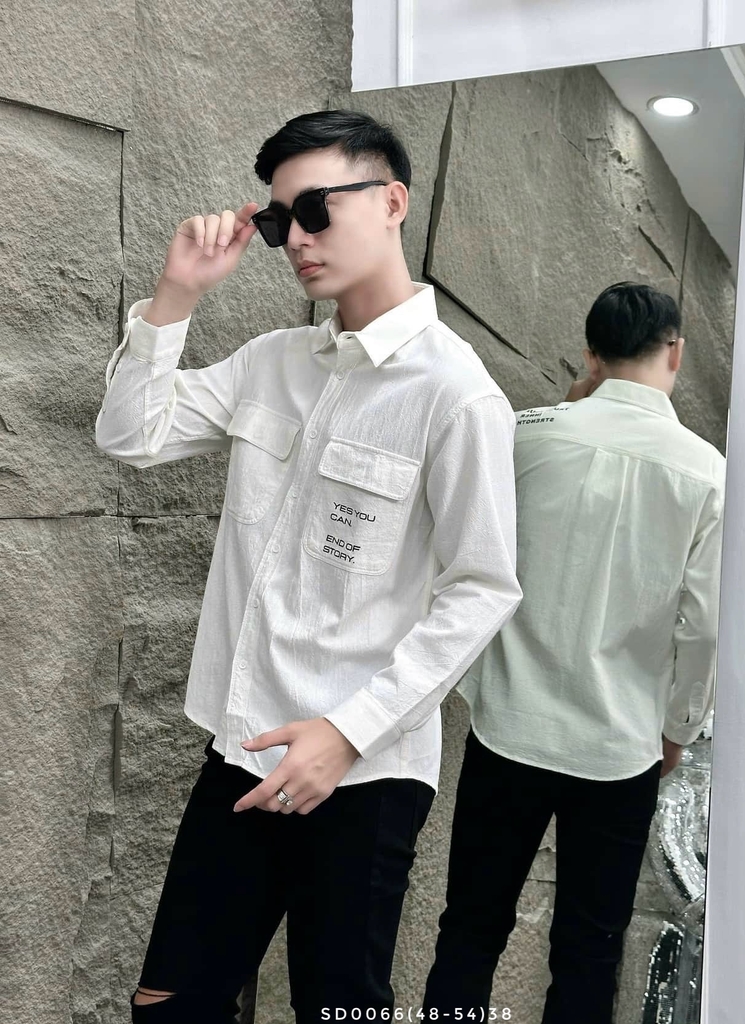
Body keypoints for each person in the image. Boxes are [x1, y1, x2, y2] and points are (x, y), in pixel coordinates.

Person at [95, 109, 522, 1023]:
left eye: (317, 209)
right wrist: (175, 296)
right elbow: (130, 436)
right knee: (169, 1002)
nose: (296, 238)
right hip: (242, 746)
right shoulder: (274, 363)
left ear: (393, 202)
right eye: (279, 219)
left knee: (339, 1008)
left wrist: (348, 731)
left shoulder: (456, 394)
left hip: (364, 771)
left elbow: (482, 588)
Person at [421, 281, 727, 1024]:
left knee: (470, 929)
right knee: (590, 949)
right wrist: (679, 728)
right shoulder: (706, 471)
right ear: (676, 352)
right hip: (623, 743)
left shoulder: (524, 433)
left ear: (590, 354)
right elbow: (704, 627)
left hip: (509, 723)